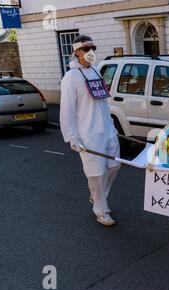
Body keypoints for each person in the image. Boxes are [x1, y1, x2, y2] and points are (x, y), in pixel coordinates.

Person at [60, 35, 120, 227]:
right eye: (86, 49)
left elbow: (103, 102)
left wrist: (111, 125)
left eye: (92, 48)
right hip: (88, 134)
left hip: (107, 130)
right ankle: (101, 210)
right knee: (96, 173)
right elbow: (67, 109)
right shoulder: (70, 77)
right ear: (76, 52)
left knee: (113, 167)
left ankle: (96, 196)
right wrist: (72, 137)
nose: (90, 52)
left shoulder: (96, 71)